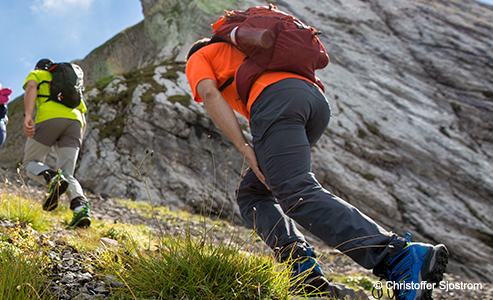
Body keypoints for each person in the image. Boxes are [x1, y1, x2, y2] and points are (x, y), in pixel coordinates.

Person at [185, 38, 448, 300]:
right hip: (313, 101)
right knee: (252, 193)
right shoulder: (241, 51)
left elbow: (209, 93)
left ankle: (398, 256)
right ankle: (302, 269)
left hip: (276, 99)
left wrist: (244, 147)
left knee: (296, 192)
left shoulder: (201, 56)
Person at [22, 59, 91, 229]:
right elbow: (82, 114)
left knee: (30, 162)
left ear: (38, 67)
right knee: (68, 172)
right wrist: (78, 138)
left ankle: (53, 178)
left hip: (49, 118)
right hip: (75, 124)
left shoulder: (38, 74)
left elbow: (31, 88)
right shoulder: (71, 86)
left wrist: (28, 116)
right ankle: (81, 209)